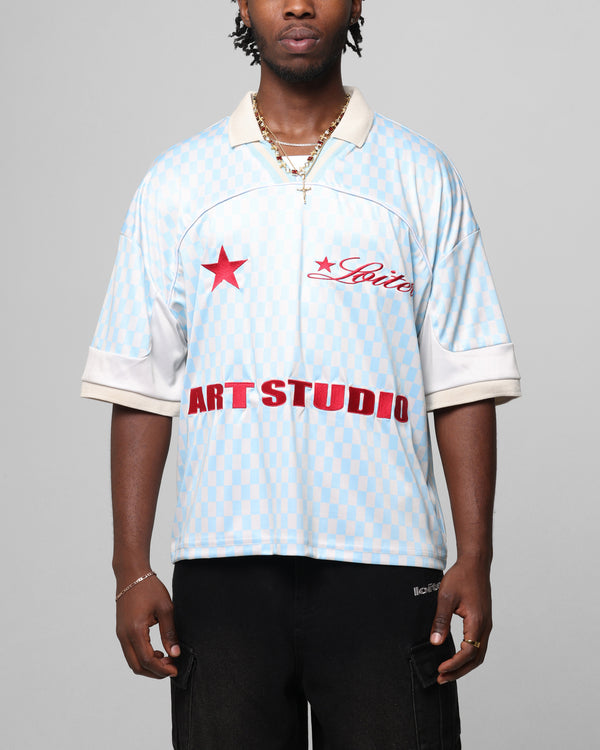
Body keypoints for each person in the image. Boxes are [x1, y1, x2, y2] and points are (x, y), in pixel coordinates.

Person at [81, 1, 521, 747]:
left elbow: (464, 379)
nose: (297, 3)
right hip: (223, 565)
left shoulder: (419, 173)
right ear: (242, 4)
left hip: (386, 564)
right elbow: (140, 386)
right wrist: (131, 566)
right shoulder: (179, 181)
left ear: (356, 3)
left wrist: (474, 557)